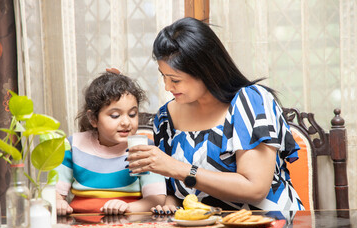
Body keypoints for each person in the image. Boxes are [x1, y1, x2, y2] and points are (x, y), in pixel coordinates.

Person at [125, 17, 304, 213]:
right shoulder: (166, 117)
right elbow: (174, 194)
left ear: (205, 71)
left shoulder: (250, 101)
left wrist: (177, 168)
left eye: (175, 80)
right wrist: (168, 207)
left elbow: (255, 189)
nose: (167, 87)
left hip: (267, 222)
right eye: (163, 76)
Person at [55, 71, 166, 216]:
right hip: (82, 222)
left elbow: (156, 199)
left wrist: (128, 207)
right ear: (93, 118)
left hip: (130, 222)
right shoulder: (73, 145)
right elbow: (55, 192)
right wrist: (58, 202)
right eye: (115, 115)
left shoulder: (144, 148)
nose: (126, 122)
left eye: (132, 114)